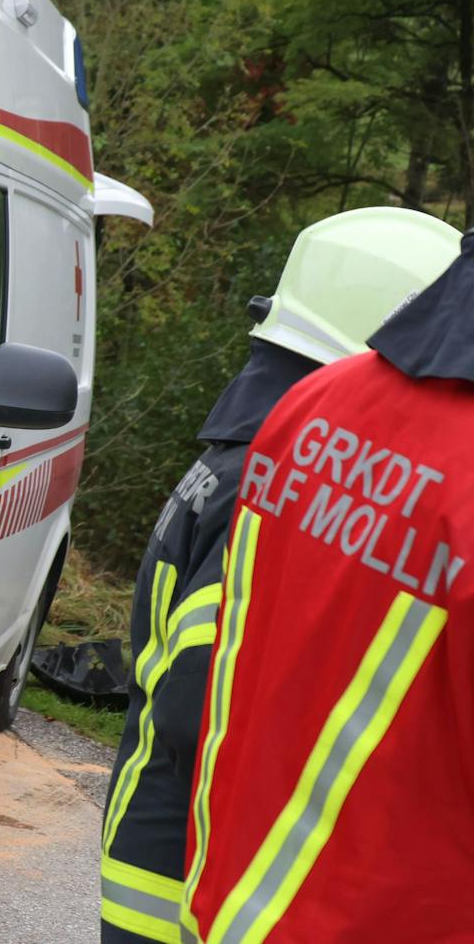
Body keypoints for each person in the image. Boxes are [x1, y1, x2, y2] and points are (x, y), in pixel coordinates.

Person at [99, 207, 462, 943]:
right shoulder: (259, 471)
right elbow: (196, 696)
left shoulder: (250, 450)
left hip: (166, 851)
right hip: (177, 872)